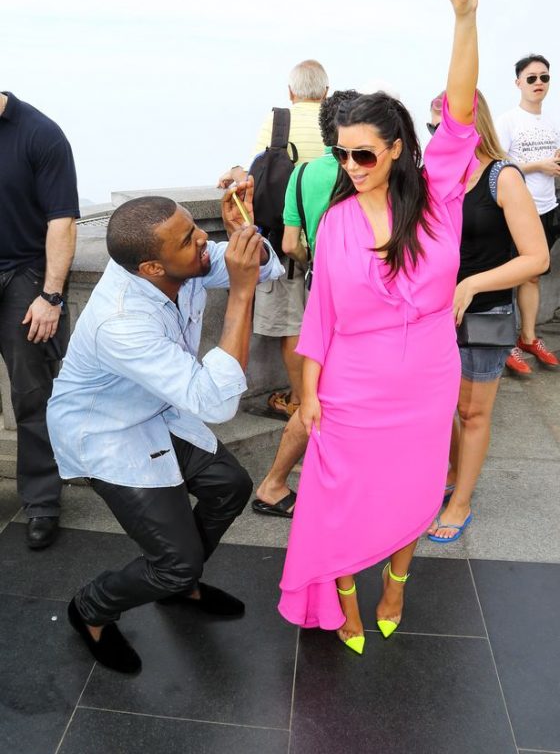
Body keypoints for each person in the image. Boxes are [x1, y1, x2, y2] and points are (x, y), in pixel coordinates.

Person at [278, 0, 480, 655]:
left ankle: (395, 583)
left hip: (427, 377)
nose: (351, 167)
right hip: (351, 384)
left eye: (363, 155)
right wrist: (309, 395)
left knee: (414, 489)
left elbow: (461, 111)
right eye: (342, 155)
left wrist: (464, 16)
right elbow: (320, 320)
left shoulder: (439, 202)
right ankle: (343, 597)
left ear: (396, 150)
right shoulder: (335, 221)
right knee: (339, 495)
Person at [47, 185, 283, 674]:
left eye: (194, 228)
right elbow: (215, 402)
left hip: (157, 406)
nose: (203, 241)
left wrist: (244, 234)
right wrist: (240, 293)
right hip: (107, 432)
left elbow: (264, 266)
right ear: (153, 267)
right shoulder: (120, 321)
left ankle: (178, 583)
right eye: (189, 239)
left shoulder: (179, 261)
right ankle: (92, 607)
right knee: (176, 560)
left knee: (229, 486)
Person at [427, 90, 549, 542]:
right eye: (432, 127)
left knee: (472, 413)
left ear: (471, 125)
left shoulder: (503, 177)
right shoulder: (438, 179)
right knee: (440, 408)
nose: (437, 135)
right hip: (437, 316)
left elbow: (537, 258)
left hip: (484, 314)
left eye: (444, 125)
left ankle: (460, 502)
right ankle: (453, 473)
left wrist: (472, 284)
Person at [252, 90, 359, 518]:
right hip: (353, 299)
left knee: (321, 389)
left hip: (319, 287)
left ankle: (280, 481)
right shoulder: (363, 175)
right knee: (333, 392)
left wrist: (311, 257)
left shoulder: (302, 174)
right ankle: (277, 483)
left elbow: (290, 243)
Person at [218, 60, 329, 419]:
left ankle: (298, 400)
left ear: (291, 92)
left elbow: (254, 177)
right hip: (330, 246)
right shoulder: (337, 125)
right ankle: (326, 398)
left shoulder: (279, 121)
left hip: (285, 245)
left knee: (293, 327)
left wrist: (234, 171)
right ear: (326, 93)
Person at [0, 91, 79, 550]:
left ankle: (42, 502)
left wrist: (51, 296)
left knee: (32, 394)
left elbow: (62, 221)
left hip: (25, 275)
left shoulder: (39, 133)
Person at [496, 54, 560, 375]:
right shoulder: (508, 121)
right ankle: (505, 343)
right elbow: (497, 165)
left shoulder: (552, 122)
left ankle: (529, 337)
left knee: (533, 274)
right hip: (518, 211)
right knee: (508, 275)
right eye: (531, 78)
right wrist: (538, 165)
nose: (538, 83)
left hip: (548, 207)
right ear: (518, 83)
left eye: (544, 77)